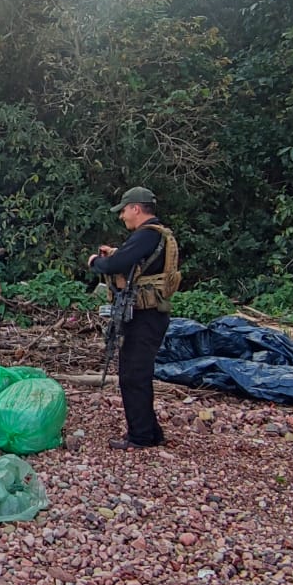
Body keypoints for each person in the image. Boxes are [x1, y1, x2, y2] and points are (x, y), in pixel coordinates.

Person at [88, 186, 181, 450]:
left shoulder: (146, 235)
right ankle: (151, 432)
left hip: (145, 316)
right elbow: (134, 262)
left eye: (125, 211)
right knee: (138, 373)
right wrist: (118, 253)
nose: (122, 217)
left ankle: (140, 437)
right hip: (150, 316)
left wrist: (96, 262)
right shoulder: (155, 236)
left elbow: (116, 266)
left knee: (133, 376)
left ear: (136, 209)